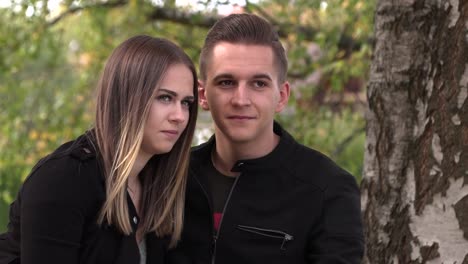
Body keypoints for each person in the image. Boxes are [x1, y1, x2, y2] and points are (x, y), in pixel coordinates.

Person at [169, 13, 364, 264]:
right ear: (203, 95)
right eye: (226, 82)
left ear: (281, 96)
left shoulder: (328, 190)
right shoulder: (170, 175)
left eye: (258, 84)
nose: (241, 99)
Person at [0, 35, 198, 264]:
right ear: (127, 98)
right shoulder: (64, 179)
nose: (180, 116)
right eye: (165, 98)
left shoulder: (163, 183)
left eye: (186, 102)